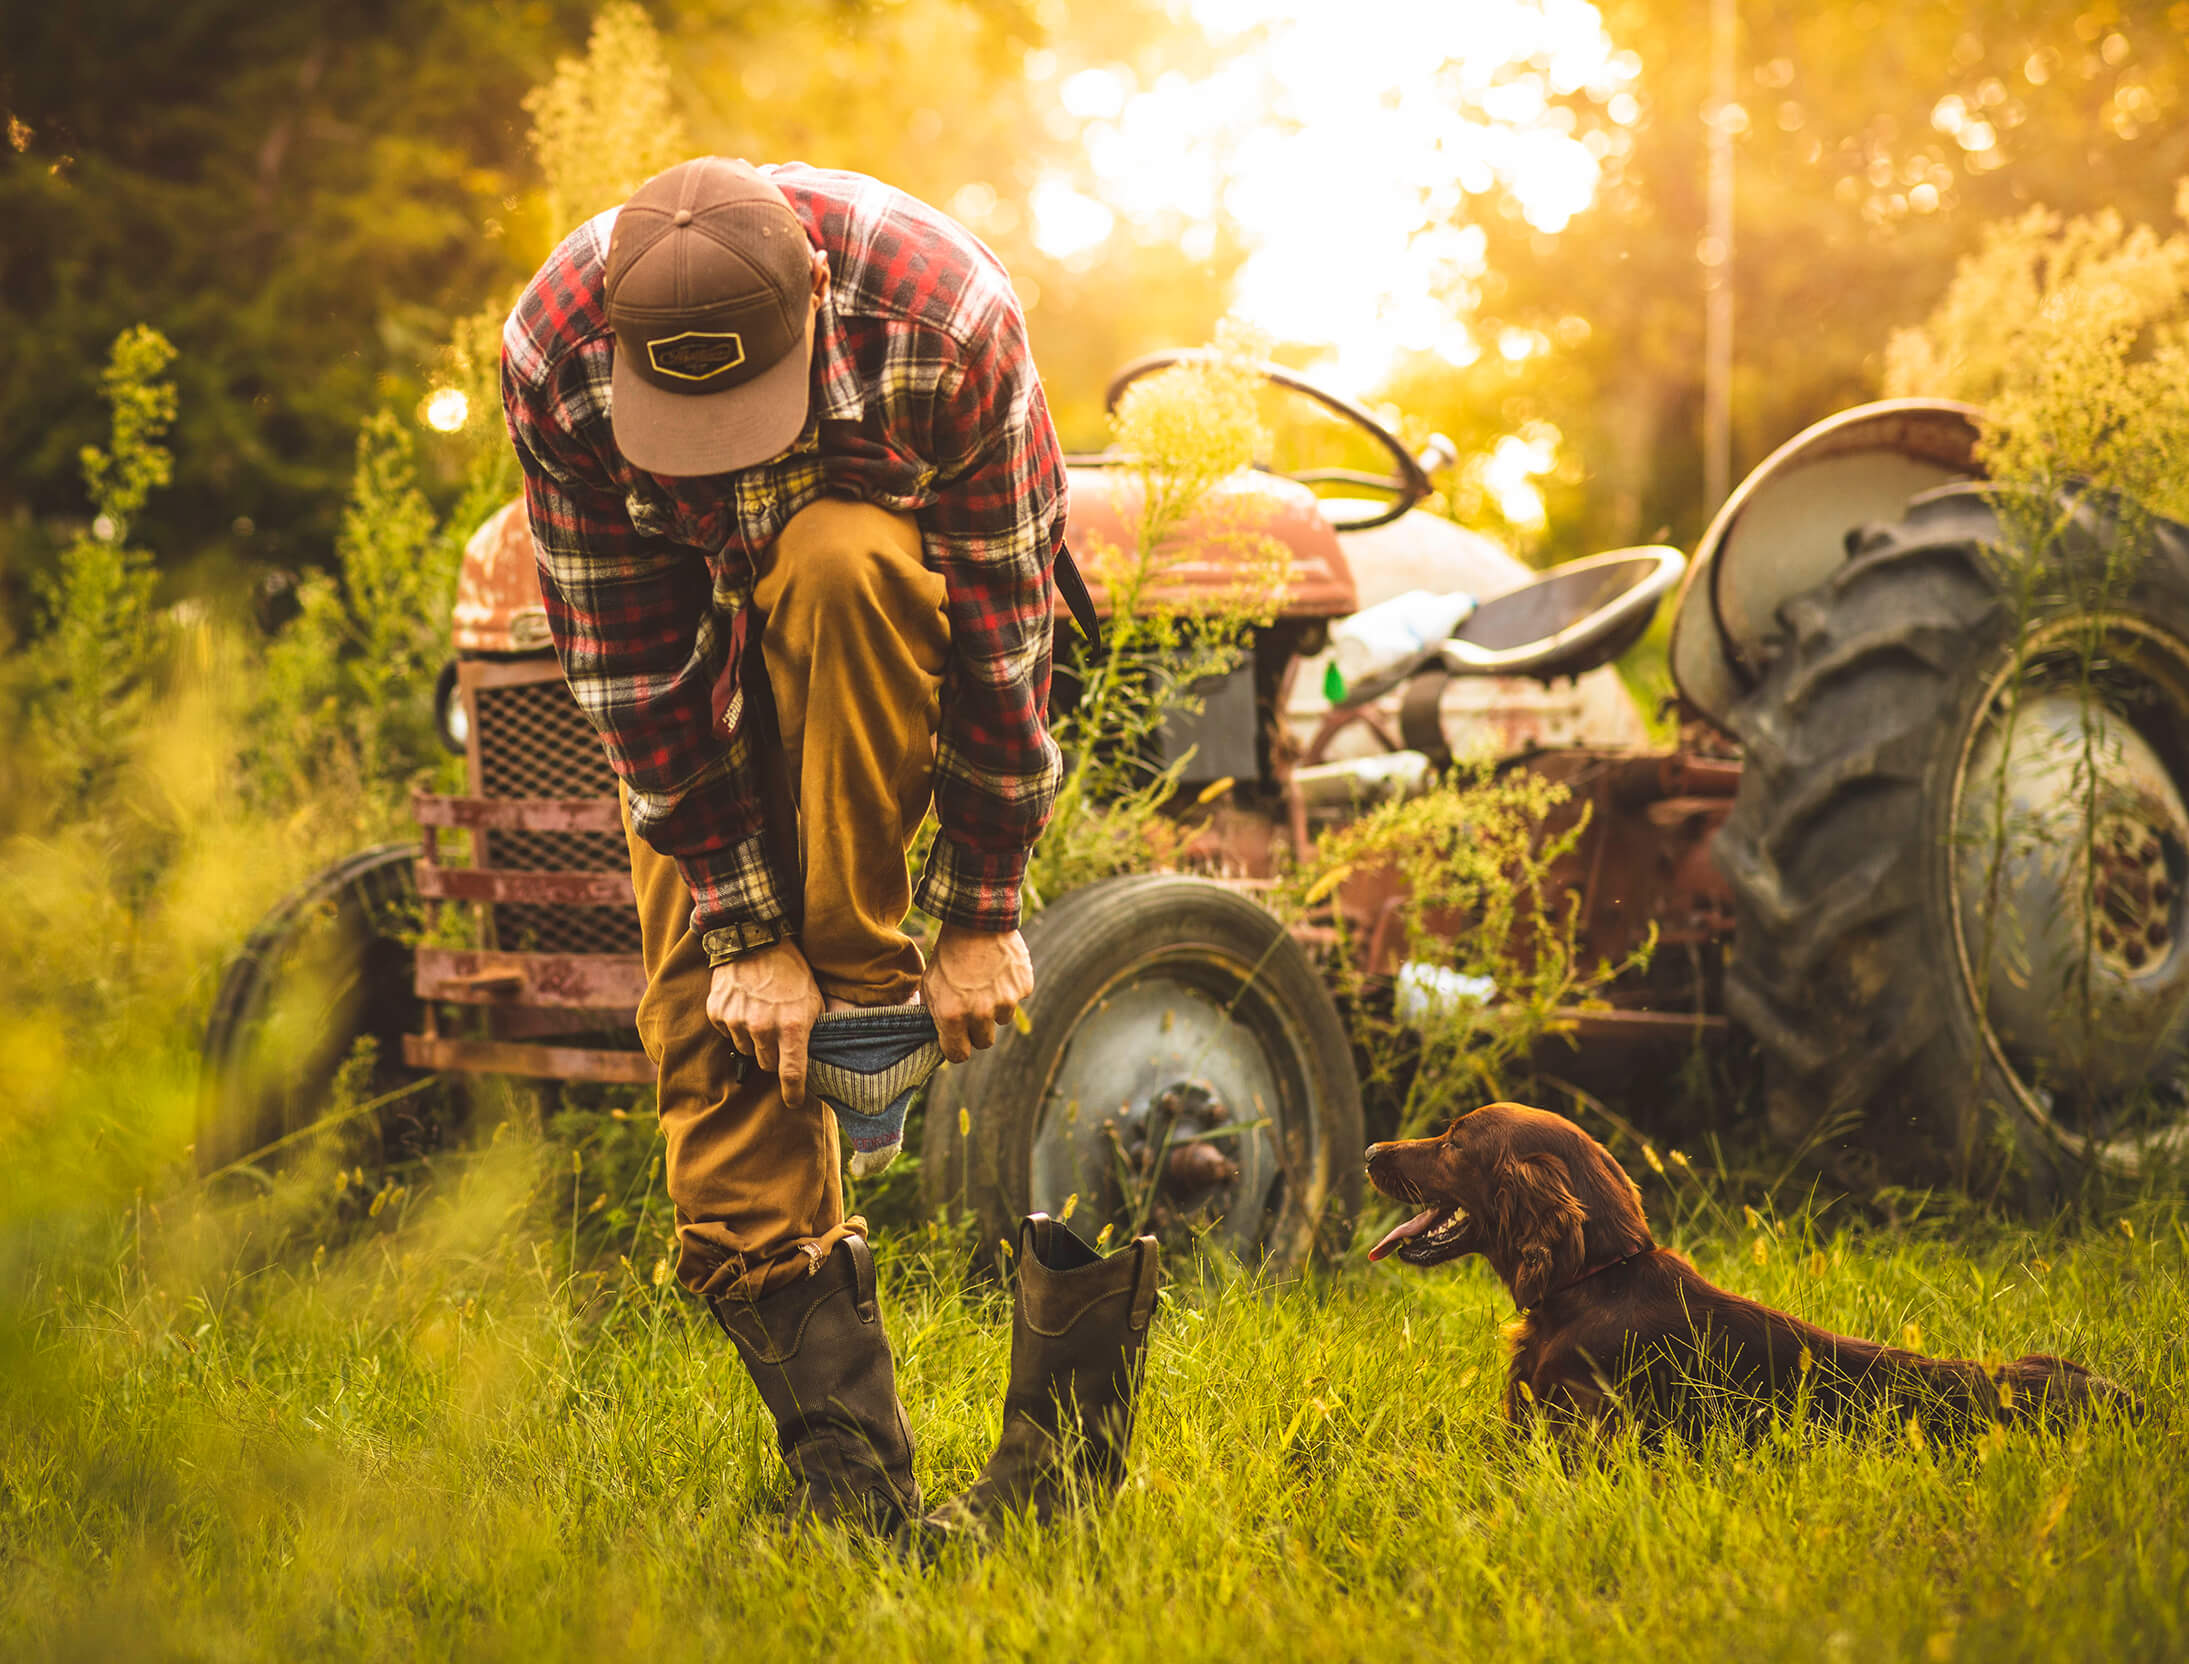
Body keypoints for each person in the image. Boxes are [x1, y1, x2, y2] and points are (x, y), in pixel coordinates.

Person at [501, 155, 1157, 1537]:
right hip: (694, 675)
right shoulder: (553, 360)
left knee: (842, 555)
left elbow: (1001, 640)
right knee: (711, 1038)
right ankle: (850, 1487)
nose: (730, 450)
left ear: (812, 291)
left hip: (886, 652)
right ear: (617, 346)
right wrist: (742, 936)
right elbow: (627, 671)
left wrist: (979, 910)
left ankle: (1059, 1476)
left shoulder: (946, 323)